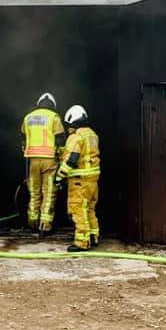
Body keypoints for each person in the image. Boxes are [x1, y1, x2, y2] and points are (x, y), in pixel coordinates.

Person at [55, 105, 100, 252]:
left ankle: (82, 242)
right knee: (90, 209)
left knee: (79, 210)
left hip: (80, 181)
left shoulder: (76, 137)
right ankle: (93, 236)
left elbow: (72, 160)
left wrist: (60, 176)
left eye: (69, 125)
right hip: (92, 180)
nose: (69, 128)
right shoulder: (92, 135)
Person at [20, 92, 65, 236]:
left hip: (32, 160)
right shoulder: (54, 117)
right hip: (49, 160)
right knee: (49, 192)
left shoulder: (28, 118)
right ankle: (45, 226)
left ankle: (32, 222)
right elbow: (60, 139)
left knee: (34, 192)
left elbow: (23, 138)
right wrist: (62, 158)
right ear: (52, 105)